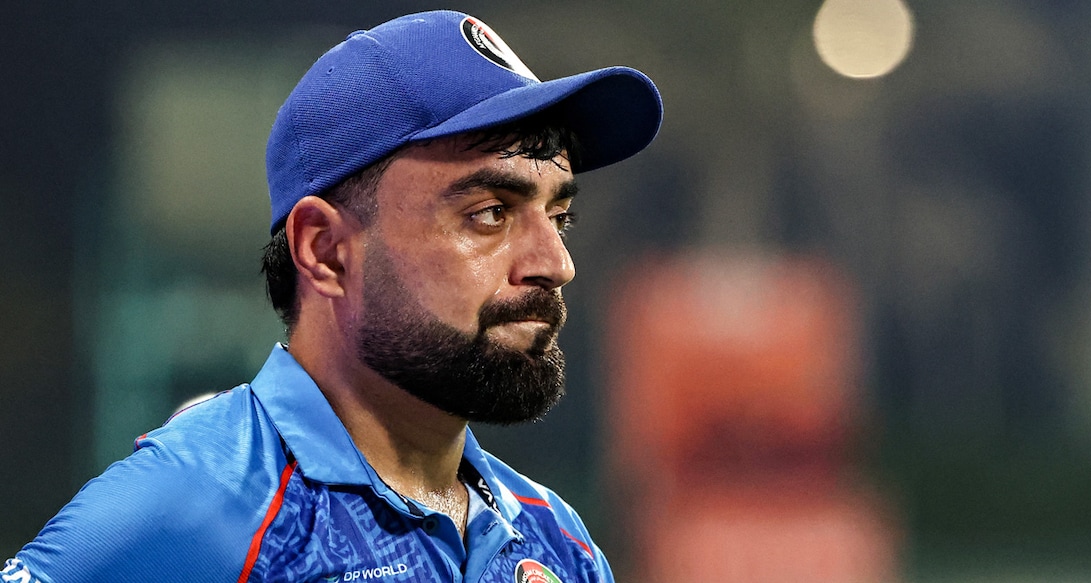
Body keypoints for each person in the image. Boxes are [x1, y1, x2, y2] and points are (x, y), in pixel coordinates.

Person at [3, 9, 661, 583]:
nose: (556, 263)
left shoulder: (559, 545)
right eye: (489, 212)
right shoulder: (194, 505)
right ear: (324, 249)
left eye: (558, 216)